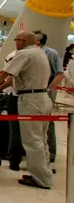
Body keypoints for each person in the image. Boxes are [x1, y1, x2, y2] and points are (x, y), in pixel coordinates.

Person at [0, 31, 52, 189]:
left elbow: (3, 74)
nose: (15, 43)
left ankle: (41, 180)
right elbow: (11, 79)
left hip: (30, 101)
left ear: (22, 41)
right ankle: (42, 173)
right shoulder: (39, 53)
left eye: (16, 40)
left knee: (32, 140)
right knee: (41, 139)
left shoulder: (24, 54)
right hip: (42, 98)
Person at [33, 31, 64, 165]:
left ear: (38, 41)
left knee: (47, 121)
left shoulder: (51, 53)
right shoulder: (32, 53)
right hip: (34, 93)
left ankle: (51, 152)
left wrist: (49, 89)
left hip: (45, 91)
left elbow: (59, 74)